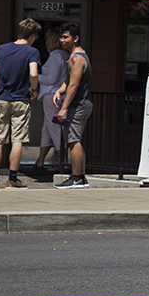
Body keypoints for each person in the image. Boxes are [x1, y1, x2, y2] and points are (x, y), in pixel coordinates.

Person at [0, 18, 41, 189]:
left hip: (2, 97)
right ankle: (12, 178)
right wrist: (33, 89)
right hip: (20, 99)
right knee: (17, 139)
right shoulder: (32, 52)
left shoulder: (2, 49)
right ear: (32, 35)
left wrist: (0, 81)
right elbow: (33, 74)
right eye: (36, 36)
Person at [53, 22, 93, 189]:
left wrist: (64, 108)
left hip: (78, 105)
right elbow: (69, 82)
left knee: (73, 140)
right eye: (61, 37)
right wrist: (59, 90)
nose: (62, 40)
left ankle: (76, 178)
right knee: (76, 140)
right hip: (81, 104)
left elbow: (74, 85)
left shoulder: (76, 59)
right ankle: (80, 177)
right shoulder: (77, 56)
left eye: (66, 37)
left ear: (75, 38)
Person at [35, 29, 68, 171]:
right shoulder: (65, 54)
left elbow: (52, 79)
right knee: (47, 127)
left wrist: (35, 76)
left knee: (54, 127)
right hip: (58, 95)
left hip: (52, 95)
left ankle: (63, 162)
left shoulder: (55, 55)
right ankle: (40, 161)